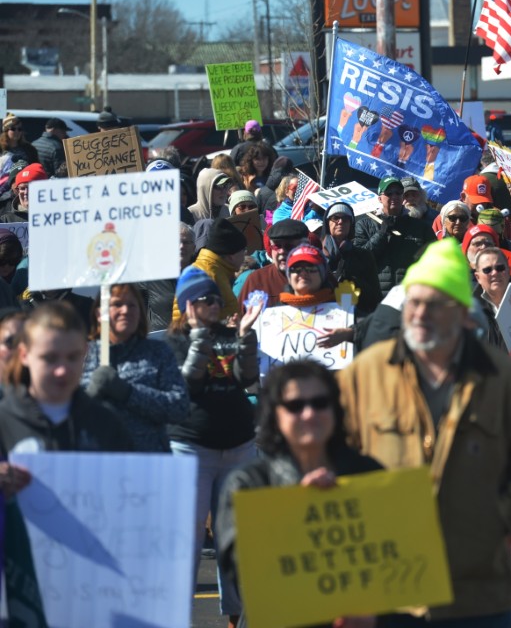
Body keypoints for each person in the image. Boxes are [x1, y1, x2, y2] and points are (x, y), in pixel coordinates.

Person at [337, 238, 511, 625]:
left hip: (477, 591)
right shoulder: (366, 374)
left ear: (462, 313)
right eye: (414, 302)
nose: (419, 314)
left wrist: (496, 520)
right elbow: (333, 452)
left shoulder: (504, 379)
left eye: (435, 304)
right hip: (393, 586)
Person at [217, 361, 383, 628]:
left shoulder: (368, 473)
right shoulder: (248, 483)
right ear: (275, 414)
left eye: (320, 403)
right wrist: (297, 511)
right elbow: (240, 569)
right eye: (295, 406)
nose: (309, 413)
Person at [165, 266, 262, 619]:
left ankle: (236, 615)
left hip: (238, 444)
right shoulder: (172, 341)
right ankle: (178, 614)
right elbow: (186, 386)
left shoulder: (230, 332)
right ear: (188, 304)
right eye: (206, 299)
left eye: (217, 299)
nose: (215, 304)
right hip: (192, 447)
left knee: (235, 535)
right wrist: (200, 338)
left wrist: (246, 338)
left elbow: (246, 378)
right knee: (188, 535)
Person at [0, 301, 132, 455]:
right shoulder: (5, 421)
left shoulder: (106, 423)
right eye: (50, 358)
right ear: (24, 355)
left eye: (72, 357)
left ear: (85, 353)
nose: (62, 370)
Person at [81, 284, 190, 452]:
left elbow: (179, 408)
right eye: (117, 304)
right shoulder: (83, 355)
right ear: (99, 313)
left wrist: (129, 393)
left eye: (132, 305)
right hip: (102, 460)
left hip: (149, 458)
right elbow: (66, 414)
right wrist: (89, 395)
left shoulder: (158, 352)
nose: (125, 310)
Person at [353, 175, 435, 294]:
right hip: (376, 296)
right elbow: (359, 260)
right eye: (389, 193)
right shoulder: (364, 224)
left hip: (409, 296)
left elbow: (434, 261)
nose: (394, 196)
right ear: (380, 198)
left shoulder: (421, 227)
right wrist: (381, 234)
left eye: (398, 193)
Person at [173, 217, 247, 323]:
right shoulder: (209, 273)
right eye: (243, 251)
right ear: (231, 255)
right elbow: (203, 321)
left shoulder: (217, 270)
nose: (245, 255)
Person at [319, 202, 382, 315]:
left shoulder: (364, 256)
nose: (340, 222)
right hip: (322, 315)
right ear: (327, 222)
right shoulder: (316, 256)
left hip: (355, 316)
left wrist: (354, 282)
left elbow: (375, 296)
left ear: (351, 224)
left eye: (346, 219)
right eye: (335, 218)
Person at [238, 219, 312, 311]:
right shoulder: (256, 280)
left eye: (289, 246)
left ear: (305, 246)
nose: (281, 251)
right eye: (277, 246)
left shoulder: (319, 277)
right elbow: (241, 317)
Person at [472, 247, 511, 351]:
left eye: (500, 268)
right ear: (478, 277)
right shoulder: (470, 314)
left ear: (509, 271)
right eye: (487, 270)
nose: (494, 273)